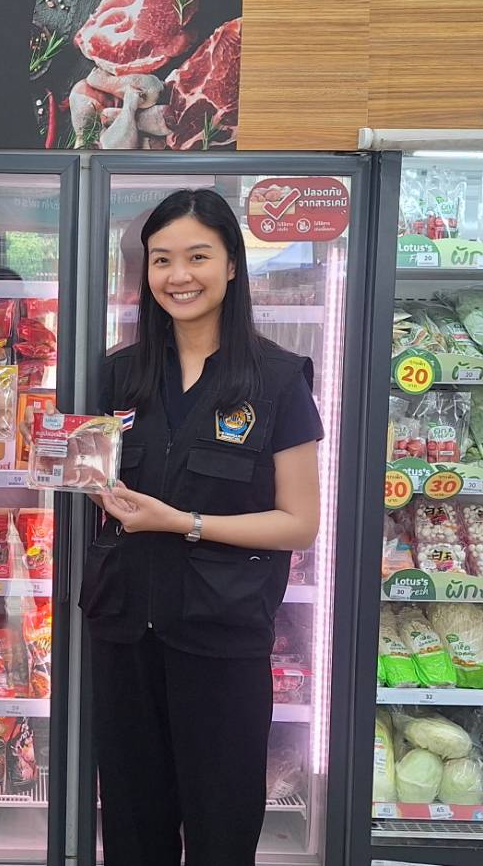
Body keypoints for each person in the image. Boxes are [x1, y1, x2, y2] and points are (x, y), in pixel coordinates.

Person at [85, 189, 324, 866]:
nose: (178, 276)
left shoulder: (277, 380)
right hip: (125, 633)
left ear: (231, 265)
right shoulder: (118, 373)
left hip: (221, 640)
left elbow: (299, 523)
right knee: (132, 830)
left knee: (221, 830)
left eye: (197, 256)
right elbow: (89, 478)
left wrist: (183, 522)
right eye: (161, 260)